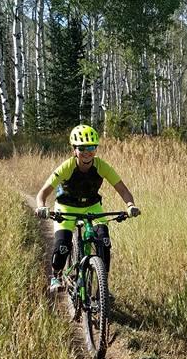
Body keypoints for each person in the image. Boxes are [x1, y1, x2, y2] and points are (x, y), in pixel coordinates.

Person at [34, 124, 140, 292]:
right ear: (73, 149)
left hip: (92, 206)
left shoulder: (102, 166)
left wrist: (130, 205)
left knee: (104, 242)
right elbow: (42, 193)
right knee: (62, 245)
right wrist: (41, 206)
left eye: (91, 147)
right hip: (66, 207)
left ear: (95, 149)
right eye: (82, 148)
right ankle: (56, 276)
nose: (87, 152)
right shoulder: (67, 167)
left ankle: (102, 288)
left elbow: (123, 190)